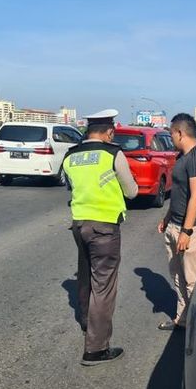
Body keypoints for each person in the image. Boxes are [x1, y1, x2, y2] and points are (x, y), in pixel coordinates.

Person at [62, 109, 138, 366]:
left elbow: (71, 186)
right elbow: (132, 191)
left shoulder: (70, 155)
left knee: (85, 275)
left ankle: (86, 322)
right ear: (109, 132)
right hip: (104, 226)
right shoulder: (112, 153)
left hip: (79, 223)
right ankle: (95, 349)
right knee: (103, 285)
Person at [157, 113, 196, 330]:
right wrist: (168, 218)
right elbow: (179, 194)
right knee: (177, 276)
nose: (171, 138)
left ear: (180, 133)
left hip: (192, 228)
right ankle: (182, 319)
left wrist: (186, 231)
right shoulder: (182, 157)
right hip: (176, 224)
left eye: (171, 134)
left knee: (192, 281)